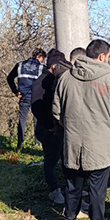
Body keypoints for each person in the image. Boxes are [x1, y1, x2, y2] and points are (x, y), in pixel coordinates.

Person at [53, 39, 110, 220]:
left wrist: (71, 128)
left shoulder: (66, 77)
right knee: (97, 189)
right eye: (109, 56)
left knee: (72, 186)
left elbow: (56, 111)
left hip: (72, 143)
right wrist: (109, 135)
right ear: (102, 56)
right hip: (100, 145)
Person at [31, 49, 72, 204]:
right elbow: (36, 107)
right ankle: (54, 190)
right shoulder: (41, 82)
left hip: (59, 127)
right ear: (53, 65)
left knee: (65, 158)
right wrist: (50, 125)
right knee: (51, 159)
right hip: (48, 128)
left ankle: (70, 189)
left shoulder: (60, 79)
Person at [7, 48, 46, 149]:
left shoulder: (20, 65)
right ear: (40, 57)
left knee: (22, 119)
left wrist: (15, 91)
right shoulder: (42, 67)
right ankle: (37, 142)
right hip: (37, 97)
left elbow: (9, 78)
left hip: (23, 96)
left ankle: (20, 143)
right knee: (38, 119)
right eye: (43, 59)